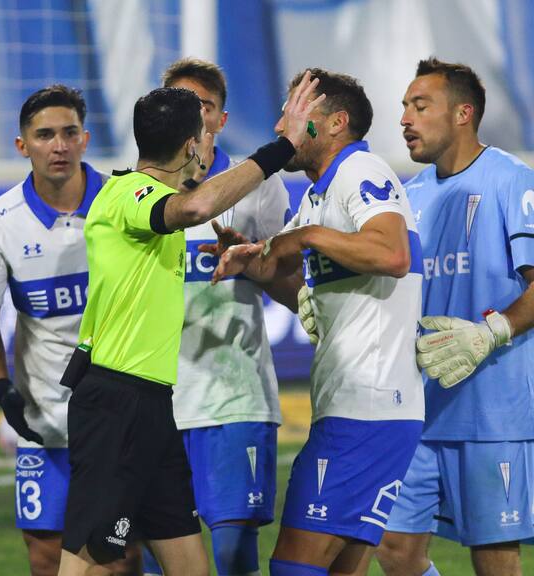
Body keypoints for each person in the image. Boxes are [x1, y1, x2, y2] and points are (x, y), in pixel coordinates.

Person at [57, 72, 324, 576]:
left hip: (155, 404)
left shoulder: (145, 198)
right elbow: (196, 205)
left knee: (189, 564)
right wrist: (283, 147)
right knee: (92, 558)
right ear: (190, 145)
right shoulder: (127, 193)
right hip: (116, 400)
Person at [211, 69, 425, 576]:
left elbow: (393, 254)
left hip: (369, 407)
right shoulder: (317, 195)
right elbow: (286, 277)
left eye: (295, 114)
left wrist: (305, 237)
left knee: (294, 566)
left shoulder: (359, 170)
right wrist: (251, 262)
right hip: (354, 404)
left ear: (335, 123)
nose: (280, 125)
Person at [0, 85, 141, 576]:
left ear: (85, 139)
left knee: (121, 556)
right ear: (23, 145)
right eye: (45, 135)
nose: (58, 145)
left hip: (120, 416)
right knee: (45, 555)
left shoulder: (124, 203)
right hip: (43, 419)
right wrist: (2, 389)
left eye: (69, 133)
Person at [375, 58, 534, 576]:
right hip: (420, 409)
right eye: (405, 106)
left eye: (421, 106)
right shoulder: (410, 195)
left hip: (492, 414)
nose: (405, 118)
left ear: (463, 113)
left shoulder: (511, 179)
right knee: (394, 551)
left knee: (494, 559)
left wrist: (493, 331)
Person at [139, 57, 297, 576]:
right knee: (154, 558)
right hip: (154, 402)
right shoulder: (135, 191)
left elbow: (296, 292)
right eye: (182, 104)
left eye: (204, 106)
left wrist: (256, 265)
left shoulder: (258, 185)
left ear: (221, 119)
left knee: (232, 556)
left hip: (233, 398)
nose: (196, 116)